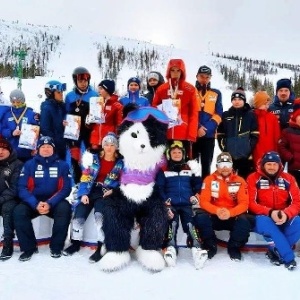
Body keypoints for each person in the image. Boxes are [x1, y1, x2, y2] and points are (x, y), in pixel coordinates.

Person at [63, 133, 123, 262]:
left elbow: (123, 182)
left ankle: (100, 247)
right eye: (106, 144)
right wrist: (83, 193)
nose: (109, 147)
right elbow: (85, 177)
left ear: (116, 147)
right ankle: (75, 243)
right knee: (79, 213)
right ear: (103, 145)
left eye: (112, 145)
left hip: (106, 192)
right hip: (91, 189)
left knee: (99, 216)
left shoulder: (120, 163)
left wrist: (113, 191)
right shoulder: (94, 159)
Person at [14, 136, 72, 261]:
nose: (46, 149)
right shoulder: (29, 165)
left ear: (53, 149)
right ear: (38, 149)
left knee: (65, 208)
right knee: (19, 211)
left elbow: (66, 189)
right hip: (34, 201)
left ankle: (56, 247)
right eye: (43, 147)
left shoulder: (62, 165)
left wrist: (50, 203)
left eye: (49, 147)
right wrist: (35, 203)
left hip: (54, 202)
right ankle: (29, 248)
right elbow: (22, 188)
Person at [156, 140, 207, 268]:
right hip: (171, 204)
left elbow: (198, 184)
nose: (177, 154)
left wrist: (196, 195)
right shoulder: (164, 169)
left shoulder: (189, 168)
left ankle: (196, 248)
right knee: (172, 224)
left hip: (186, 204)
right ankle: (170, 247)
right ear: (169, 154)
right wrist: (165, 200)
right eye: (174, 152)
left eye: (179, 152)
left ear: (183, 154)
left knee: (190, 224)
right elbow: (160, 187)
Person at [193, 152, 253, 261]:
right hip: (215, 215)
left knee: (246, 220)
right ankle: (210, 245)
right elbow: (204, 201)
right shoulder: (209, 180)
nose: (225, 168)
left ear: (232, 166)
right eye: (221, 165)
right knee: (200, 217)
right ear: (216, 167)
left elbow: (244, 204)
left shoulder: (240, 181)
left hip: (232, 215)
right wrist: (217, 210)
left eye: (228, 165)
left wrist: (230, 213)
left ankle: (234, 247)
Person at [247, 151, 300, 270]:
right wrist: (270, 212)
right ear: (263, 165)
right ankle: (288, 257)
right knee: (266, 222)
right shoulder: (253, 178)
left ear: (280, 165)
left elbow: (297, 202)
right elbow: (251, 203)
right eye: (269, 164)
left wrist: (286, 214)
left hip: (283, 215)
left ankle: (274, 250)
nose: (272, 167)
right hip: (262, 217)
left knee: (298, 222)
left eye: (274, 164)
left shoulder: (289, 178)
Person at [152, 58, 199, 157]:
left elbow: (194, 113)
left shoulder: (190, 89)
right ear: (168, 71)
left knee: (183, 162)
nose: (175, 73)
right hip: (166, 132)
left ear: (183, 72)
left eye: (178, 70)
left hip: (183, 132)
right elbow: (154, 109)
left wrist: (191, 134)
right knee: (165, 161)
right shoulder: (161, 89)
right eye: (172, 70)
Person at [64, 67, 98, 182]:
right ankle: (78, 182)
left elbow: (98, 114)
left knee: (91, 157)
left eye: (85, 81)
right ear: (75, 81)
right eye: (80, 81)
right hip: (74, 131)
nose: (83, 83)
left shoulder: (94, 95)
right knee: (75, 157)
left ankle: (91, 181)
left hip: (89, 130)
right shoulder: (69, 96)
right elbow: (66, 112)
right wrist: (65, 121)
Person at [217, 87, 259, 178]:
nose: (237, 101)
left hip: (245, 157)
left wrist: (248, 149)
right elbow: (220, 133)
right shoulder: (226, 115)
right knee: (229, 181)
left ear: (244, 101)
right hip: (230, 156)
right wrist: (224, 148)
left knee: (245, 181)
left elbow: (255, 134)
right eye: (234, 99)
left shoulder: (250, 114)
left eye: (240, 99)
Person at [192, 65, 223, 179]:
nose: (204, 79)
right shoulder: (191, 91)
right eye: (201, 76)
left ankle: (205, 190)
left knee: (206, 165)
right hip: (193, 135)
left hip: (208, 136)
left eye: (207, 77)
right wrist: (197, 127)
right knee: (192, 164)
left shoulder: (216, 93)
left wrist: (207, 128)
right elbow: (188, 112)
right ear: (197, 76)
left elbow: (219, 114)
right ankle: (193, 190)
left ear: (210, 78)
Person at [0, 138, 23, 260]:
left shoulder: (17, 164)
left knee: (7, 208)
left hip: (11, 199)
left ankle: (7, 243)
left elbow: (15, 188)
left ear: (9, 150)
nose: (0, 152)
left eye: (3, 149)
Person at [1, 89, 39, 162]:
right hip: (12, 152)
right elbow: (2, 130)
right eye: (13, 102)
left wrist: (36, 147)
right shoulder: (7, 114)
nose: (16, 104)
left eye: (18, 102)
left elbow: (37, 132)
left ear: (23, 100)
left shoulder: (31, 113)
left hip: (28, 152)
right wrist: (12, 132)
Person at [88, 79, 123, 152]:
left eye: (101, 89)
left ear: (107, 90)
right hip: (95, 139)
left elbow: (119, 125)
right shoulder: (96, 103)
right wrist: (88, 121)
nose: (98, 91)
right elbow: (92, 123)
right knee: (95, 162)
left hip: (108, 140)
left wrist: (117, 139)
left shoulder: (117, 105)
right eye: (98, 89)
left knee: (107, 162)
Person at [40, 80, 67, 160]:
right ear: (50, 94)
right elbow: (45, 130)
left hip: (61, 144)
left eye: (62, 92)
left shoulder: (61, 106)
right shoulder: (47, 108)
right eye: (59, 93)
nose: (61, 95)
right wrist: (54, 145)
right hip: (54, 147)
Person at [252, 90, 280, 167]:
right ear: (258, 104)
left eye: (268, 104)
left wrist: (277, 152)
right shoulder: (252, 116)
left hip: (271, 153)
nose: (267, 106)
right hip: (256, 152)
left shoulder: (272, 118)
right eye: (265, 104)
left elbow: (277, 136)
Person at [278, 98, 300, 185]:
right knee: (295, 191)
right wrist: (290, 157)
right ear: (295, 116)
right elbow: (281, 146)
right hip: (294, 169)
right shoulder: (287, 131)